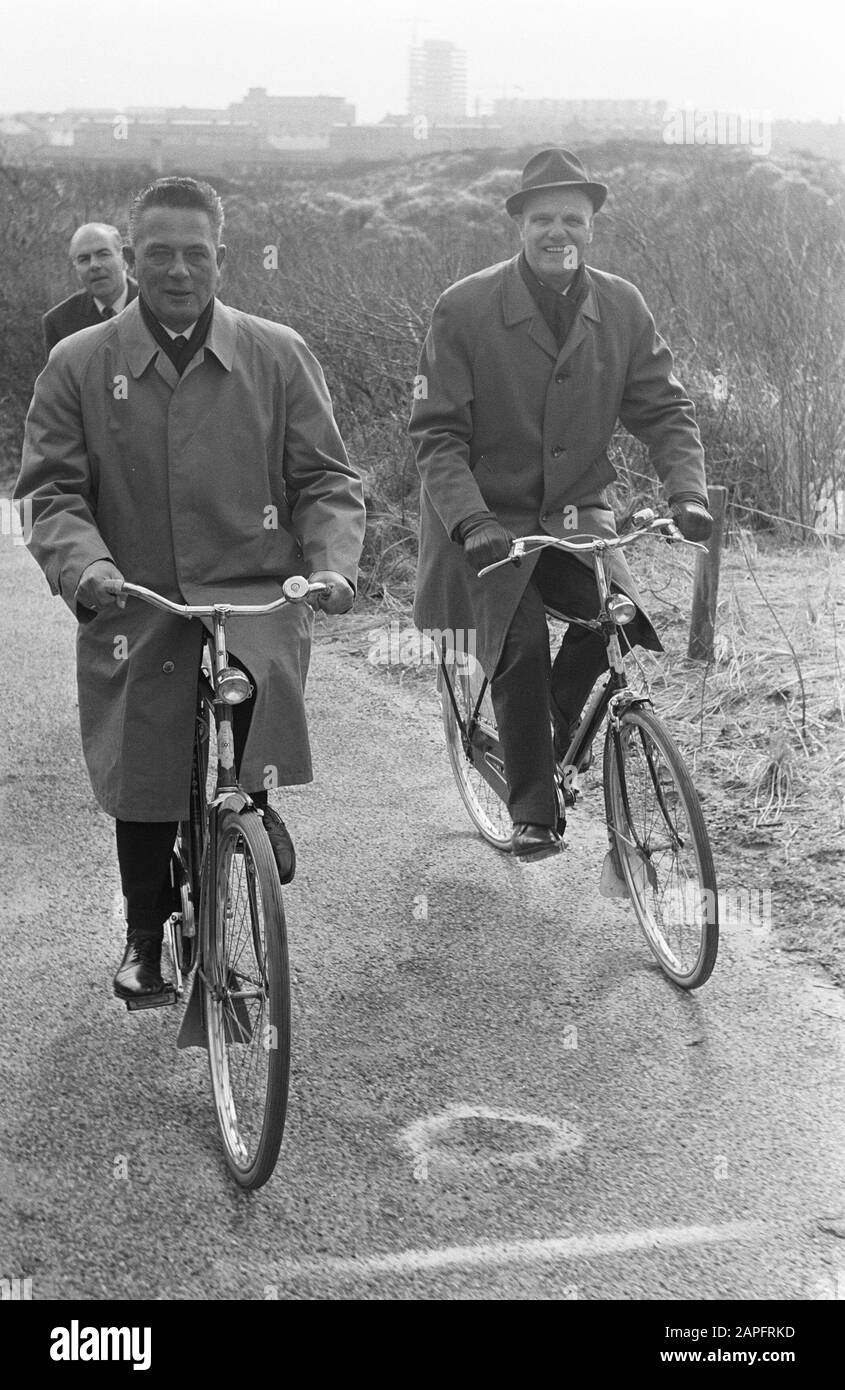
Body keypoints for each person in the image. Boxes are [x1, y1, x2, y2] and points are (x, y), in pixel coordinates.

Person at [16, 176, 366, 999]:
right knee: (146, 756)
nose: (179, 270)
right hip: (135, 597)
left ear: (222, 258)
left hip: (252, 587)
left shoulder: (276, 352)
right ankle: (145, 932)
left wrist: (332, 564)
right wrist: (88, 568)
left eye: (196, 253)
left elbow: (325, 478)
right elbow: (52, 493)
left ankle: (247, 803)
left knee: (253, 683)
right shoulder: (78, 362)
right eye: (160, 254)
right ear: (133, 260)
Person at [409, 148, 713, 862]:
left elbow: (664, 410)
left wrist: (688, 491)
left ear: (591, 227)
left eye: (572, 220)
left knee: (619, 620)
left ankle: (539, 744)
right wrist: (471, 518)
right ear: (518, 224)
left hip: (576, 515)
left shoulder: (621, 304)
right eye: (542, 218)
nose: (558, 233)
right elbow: (436, 435)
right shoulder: (464, 307)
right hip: (484, 523)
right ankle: (533, 811)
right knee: (515, 650)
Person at [42, 223, 139, 353]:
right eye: (84, 259)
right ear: (76, 269)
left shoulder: (155, 304)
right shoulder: (59, 321)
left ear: (124, 259)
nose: (94, 265)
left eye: (103, 254)